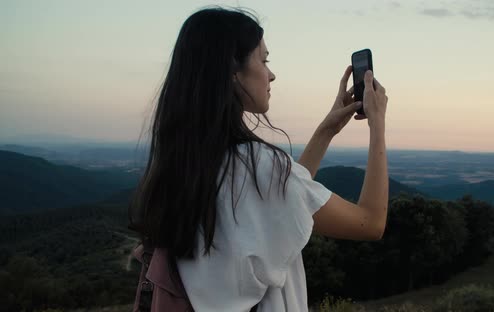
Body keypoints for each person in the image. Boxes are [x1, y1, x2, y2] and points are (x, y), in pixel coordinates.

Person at [128, 6, 389, 312]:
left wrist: (326, 130)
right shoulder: (259, 167)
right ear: (232, 71)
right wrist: (377, 124)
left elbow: (278, 198)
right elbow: (370, 222)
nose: (271, 74)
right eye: (264, 60)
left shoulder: (185, 165)